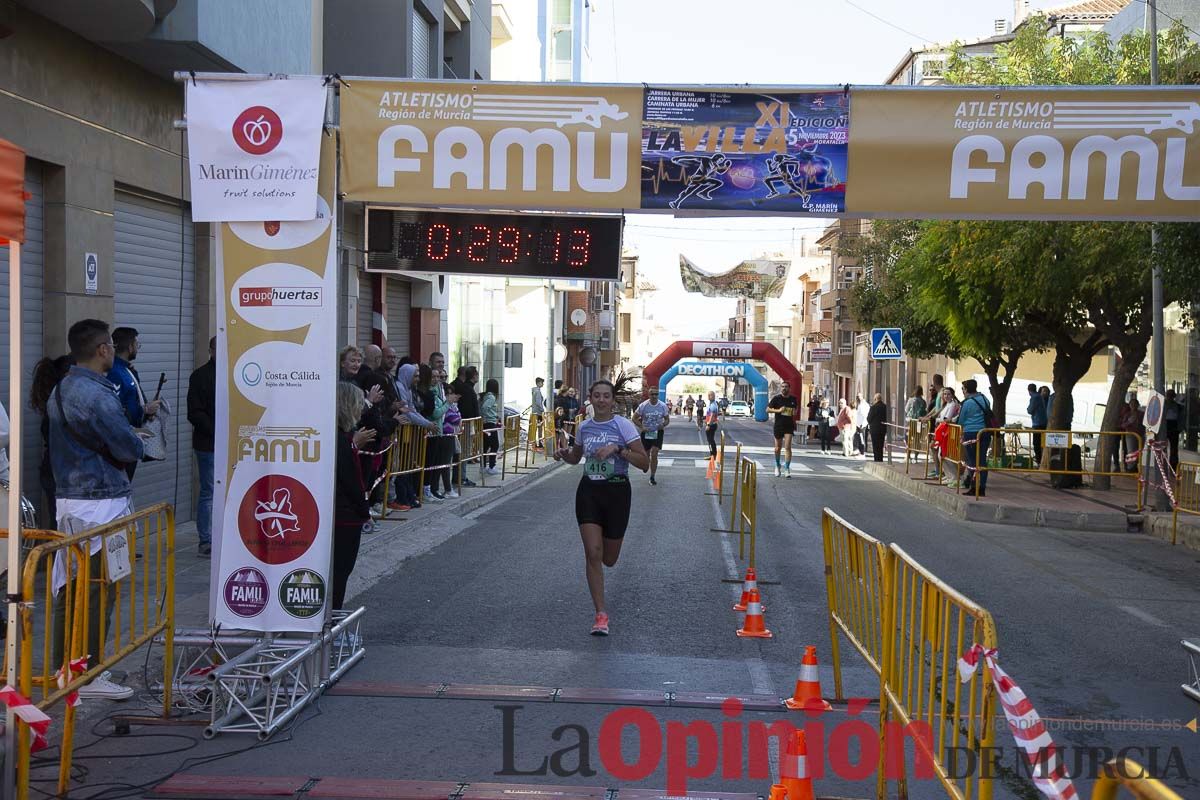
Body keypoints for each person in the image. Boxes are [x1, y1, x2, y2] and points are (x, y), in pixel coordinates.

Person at [49, 319, 148, 700]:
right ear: (103, 349)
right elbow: (126, 447)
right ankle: (87, 674)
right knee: (98, 589)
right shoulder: (95, 394)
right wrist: (138, 443)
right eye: (109, 344)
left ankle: (66, 668)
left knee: (70, 588)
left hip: (72, 500)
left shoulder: (64, 387)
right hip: (100, 503)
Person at [554, 380, 649, 636]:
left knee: (609, 558)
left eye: (606, 396)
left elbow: (644, 463)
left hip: (617, 491)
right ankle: (600, 614)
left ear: (613, 400)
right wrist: (563, 454)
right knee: (593, 552)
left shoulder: (623, 426)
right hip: (589, 492)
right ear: (590, 398)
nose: (602, 400)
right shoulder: (584, 426)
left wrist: (618, 449)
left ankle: (601, 609)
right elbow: (577, 458)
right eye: (597, 396)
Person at [333, 382, 375, 610]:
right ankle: (332, 623)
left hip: (342, 513)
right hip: (345, 516)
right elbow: (352, 481)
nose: (361, 410)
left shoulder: (342, 438)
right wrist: (364, 511)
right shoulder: (341, 441)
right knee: (340, 571)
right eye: (359, 405)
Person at [106, 326, 161, 480]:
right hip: (122, 444)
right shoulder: (116, 373)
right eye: (137, 345)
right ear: (130, 346)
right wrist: (144, 410)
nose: (138, 348)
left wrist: (145, 410)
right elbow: (114, 411)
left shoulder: (127, 370)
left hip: (130, 440)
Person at [30, 355, 71, 523]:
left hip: (55, 473)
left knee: (60, 524)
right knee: (61, 527)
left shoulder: (57, 403)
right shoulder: (58, 406)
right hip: (61, 475)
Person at [186, 337, 216, 556]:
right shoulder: (200, 376)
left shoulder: (237, 374)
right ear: (210, 350)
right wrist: (217, 431)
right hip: (208, 444)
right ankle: (205, 540)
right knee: (209, 490)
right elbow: (194, 412)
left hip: (234, 444)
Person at [958, 380, 992, 496]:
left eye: (963, 389)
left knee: (972, 461)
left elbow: (961, 420)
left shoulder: (967, 403)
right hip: (985, 432)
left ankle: (974, 486)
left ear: (966, 389)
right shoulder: (984, 399)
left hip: (971, 433)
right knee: (982, 460)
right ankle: (982, 487)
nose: (963, 391)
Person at [633, 385, 669, 485]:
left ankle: (652, 476)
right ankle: (645, 465)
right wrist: (642, 427)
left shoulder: (662, 406)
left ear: (658, 395)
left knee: (654, 453)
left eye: (656, 394)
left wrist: (663, 425)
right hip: (646, 432)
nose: (654, 396)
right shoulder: (643, 406)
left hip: (657, 432)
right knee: (646, 454)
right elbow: (634, 418)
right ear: (649, 395)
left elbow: (667, 420)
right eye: (652, 394)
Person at [767, 381, 799, 477]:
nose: (784, 388)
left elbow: (795, 411)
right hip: (779, 425)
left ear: (789, 388)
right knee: (777, 448)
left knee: (788, 447)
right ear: (780, 388)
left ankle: (787, 468)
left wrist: (794, 412)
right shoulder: (776, 399)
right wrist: (778, 410)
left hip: (789, 425)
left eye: (786, 387)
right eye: (782, 387)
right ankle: (777, 466)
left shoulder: (793, 399)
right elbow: (767, 409)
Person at [481, 378, 502, 475]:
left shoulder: (486, 396)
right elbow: (485, 408)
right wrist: (485, 417)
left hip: (487, 423)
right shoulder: (491, 397)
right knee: (495, 445)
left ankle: (483, 466)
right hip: (490, 423)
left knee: (486, 445)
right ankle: (491, 466)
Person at [1120, 397, 1143, 473]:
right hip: (1130, 435)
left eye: (1135, 404)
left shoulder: (1141, 414)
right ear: (1129, 405)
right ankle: (1130, 468)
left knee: (1139, 451)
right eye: (1132, 404)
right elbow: (1123, 425)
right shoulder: (1127, 414)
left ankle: (1135, 465)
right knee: (1131, 451)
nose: (1133, 406)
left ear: (1138, 405)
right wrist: (1129, 422)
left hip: (1140, 434)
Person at [1027, 383, 1048, 464]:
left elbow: (1030, 410)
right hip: (1043, 423)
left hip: (1038, 423)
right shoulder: (1039, 397)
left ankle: (1039, 461)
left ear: (1029, 391)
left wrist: (1028, 408)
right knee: (1041, 443)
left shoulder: (1035, 397)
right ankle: (1041, 460)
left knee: (1036, 443)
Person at [1164, 388, 1183, 469]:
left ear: (1174, 396)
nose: (1170, 397)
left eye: (1171, 395)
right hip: (1164, 427)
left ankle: (1174, 467)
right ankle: (1162, 466)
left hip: (1174, 427)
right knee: (1162, 447)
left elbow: (1181, 418)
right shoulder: (1162, 405)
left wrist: (1179, 429)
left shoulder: (1179, 407)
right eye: (1168, 395)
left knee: (1174, 449)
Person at [868, 393, 888, 462]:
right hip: (883, 429)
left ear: (876, 399)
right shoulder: (885, 407)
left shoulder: (873, 407)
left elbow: (869, 419)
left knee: (875, 445)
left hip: (874, 430)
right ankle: (880, 459)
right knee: (881, 445)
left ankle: (876, 459)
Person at [704, 390, 721, 458]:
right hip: (710, 423)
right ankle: (712, 454)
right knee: (710, 440)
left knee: (711, 440)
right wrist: (705, 419)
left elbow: (712, 415)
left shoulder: (713, 405)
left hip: (712, 424)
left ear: (713, 396)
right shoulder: (710, 404)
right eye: (708, 395)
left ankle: (713, 454)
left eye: (710, 395)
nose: (708, 396)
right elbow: (709, 414)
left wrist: (708, 425)